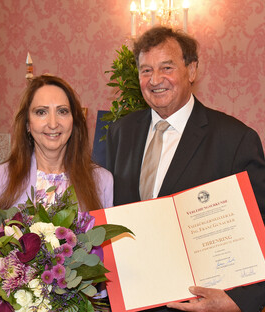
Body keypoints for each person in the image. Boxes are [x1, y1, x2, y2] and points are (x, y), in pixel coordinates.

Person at [106, 26, 265, 312]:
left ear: (192, 70)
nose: (155, 80)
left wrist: (240, 301)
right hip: (131, 300)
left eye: (166, 67)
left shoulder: (235, 140)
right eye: (145, 70)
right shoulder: (121, 132)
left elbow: (261, 229)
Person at [0, 74, 112, 212]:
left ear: (74, 121)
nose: (53, 124)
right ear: (27, 124)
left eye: (62, 111)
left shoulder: (102, 181)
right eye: (41, 112)